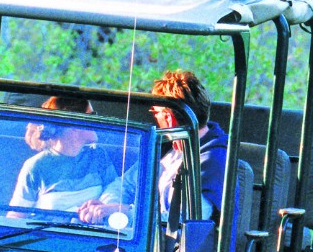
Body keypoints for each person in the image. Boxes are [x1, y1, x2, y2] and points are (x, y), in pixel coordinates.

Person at [78, 70, 228, 225]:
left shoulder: (213, 162)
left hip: (175, 248)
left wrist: (125, 211)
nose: (155, 119)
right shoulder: (166, 147)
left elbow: (184, 224)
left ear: (168, 118)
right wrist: (107, 206)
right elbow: (125, 184)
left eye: (156, 113)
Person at [9, 96, 118, 215]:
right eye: (92, 115)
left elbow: (115, 192)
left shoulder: (98, 155)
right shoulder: (35, 166)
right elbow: (16, 216)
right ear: (75, 124)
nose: (97, 120)